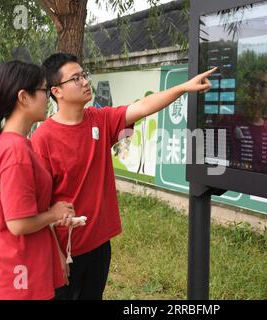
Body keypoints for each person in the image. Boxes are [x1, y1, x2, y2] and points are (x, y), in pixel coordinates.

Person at [30, 53, 216, 300]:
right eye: (76, 79)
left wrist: (183, 87)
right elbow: (40, 206)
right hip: (65, 249)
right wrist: (57, 256)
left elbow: (142, 107)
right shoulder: (42, 139)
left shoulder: (100, 119)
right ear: (57, 91)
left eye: (84, 75)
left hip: (99, 245)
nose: (85, 82)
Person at [0, 60, 77, 300]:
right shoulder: (16, 151)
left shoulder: (10, 144)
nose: (48, 98)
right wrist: (54, 213)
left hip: (16, 272)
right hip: (18, 278)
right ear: (23, 97)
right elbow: (17, 223)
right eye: (43, 91)